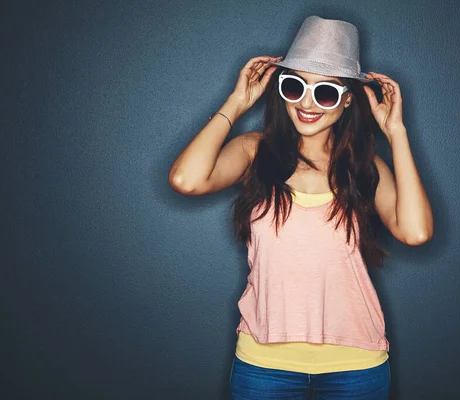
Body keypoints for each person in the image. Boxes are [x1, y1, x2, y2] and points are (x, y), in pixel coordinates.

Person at [169, 15, 433, 400]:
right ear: (282, 92)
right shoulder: (254, 151)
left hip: (354, 364)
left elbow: (416, 231)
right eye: (295, 87)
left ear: (346, 101)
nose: (307, 103)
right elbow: (185, 180)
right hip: (264, 365)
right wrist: (237, 102)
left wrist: (396, 133)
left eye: (324, 93)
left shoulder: (366, 168)